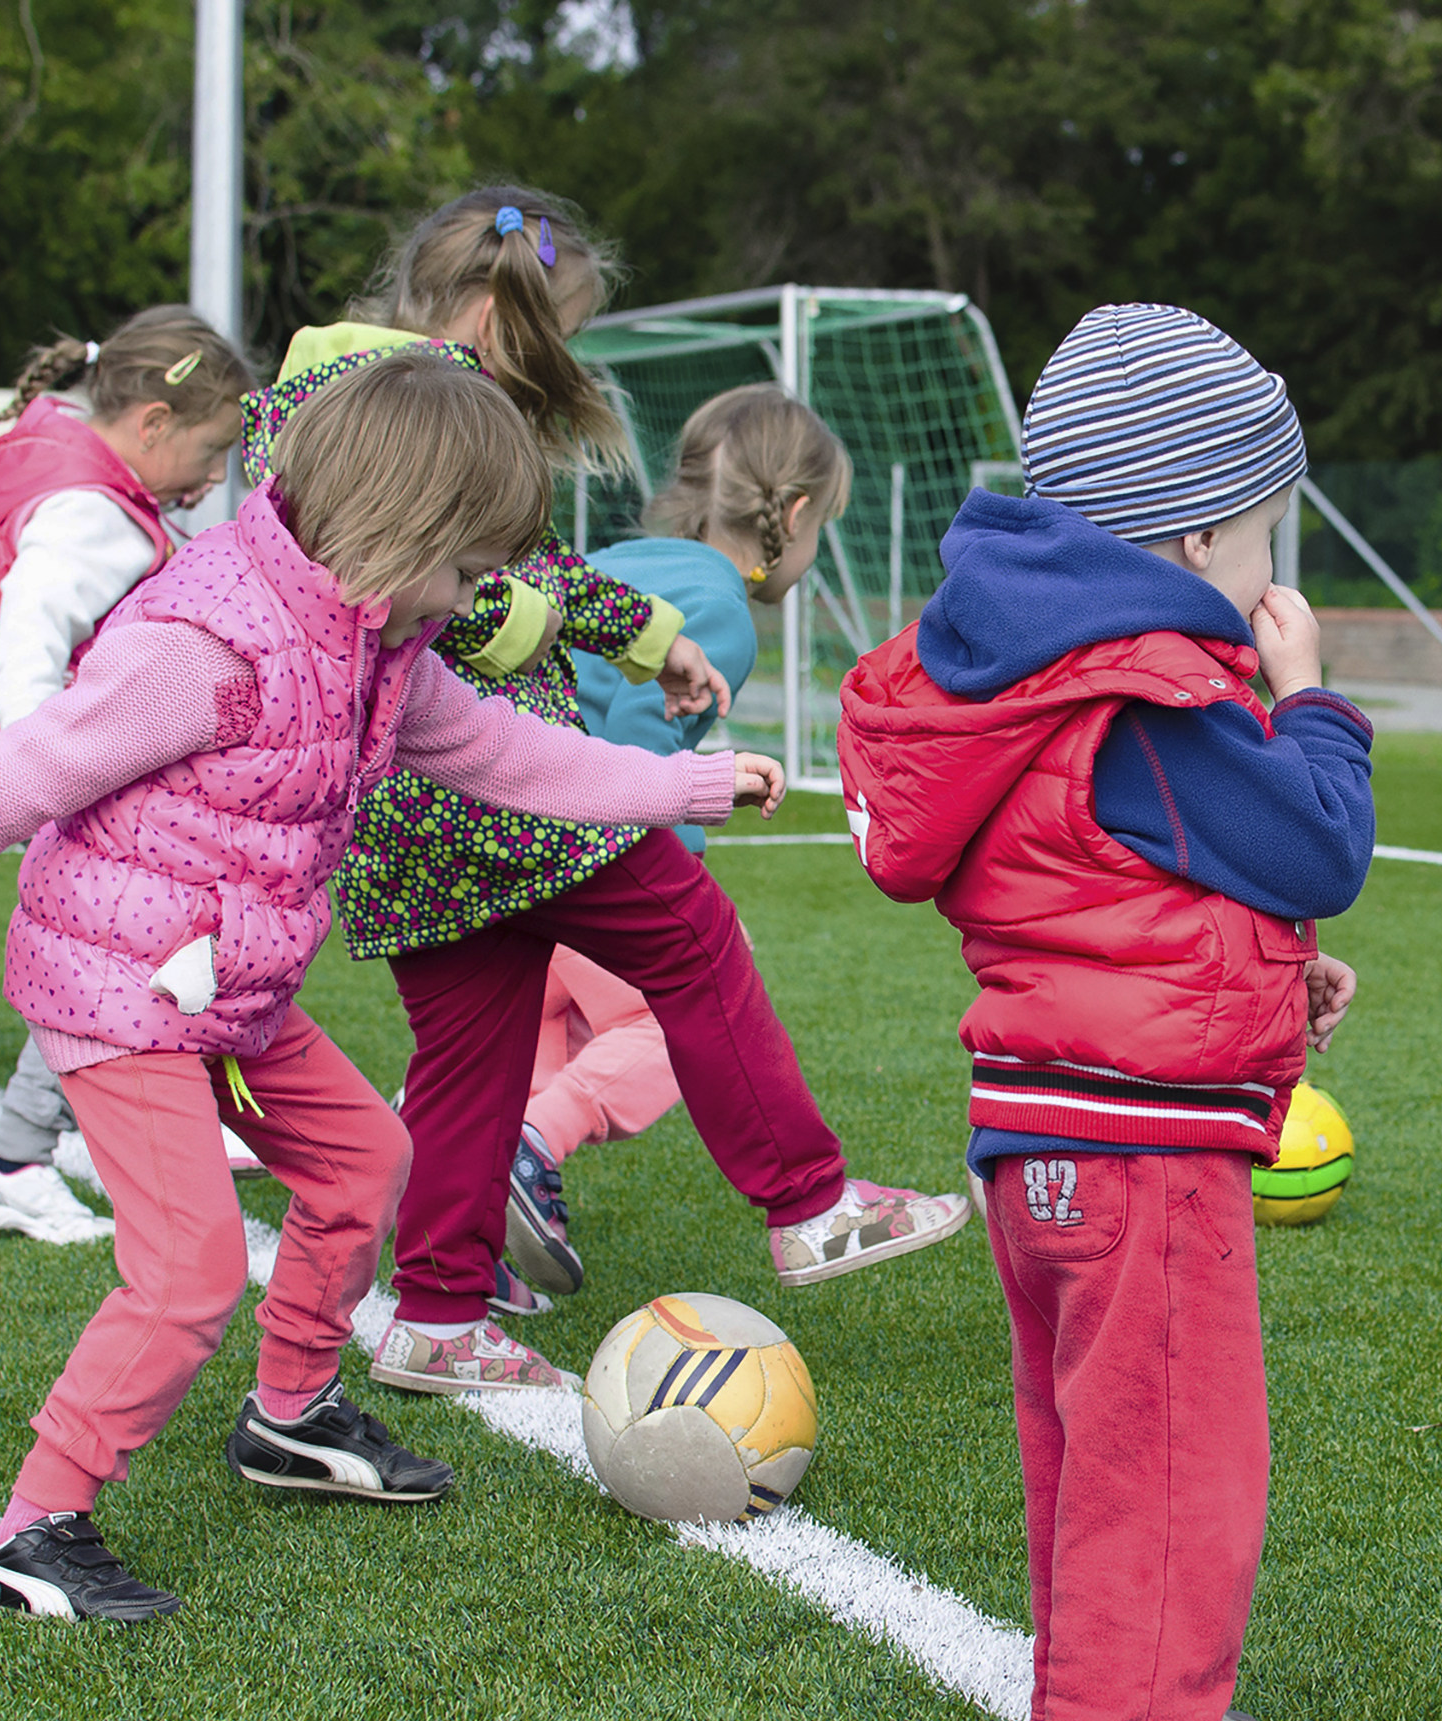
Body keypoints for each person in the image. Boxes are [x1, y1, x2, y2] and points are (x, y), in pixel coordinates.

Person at [0, 351, 788, 1624]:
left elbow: (511, 757)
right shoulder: (202, 646)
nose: (479, 599)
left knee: (368, 1161)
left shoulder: (378, 647)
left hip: (228, 990)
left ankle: (291, 1415)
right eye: (471, 570)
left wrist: (687, 784)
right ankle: (33, 1523)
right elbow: (25, 774)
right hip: (119, 989)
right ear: (402, 530)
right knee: (189, 1270)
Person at [243, 189, 968, 1382]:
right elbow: (444, 588)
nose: (559, 364)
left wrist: (649, 637)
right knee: (692, 941)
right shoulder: (412, 404)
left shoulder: (330, 389)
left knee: (470, 1059)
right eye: (555, 334)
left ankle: (434, 1317)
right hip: (494, 790)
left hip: (400, 818)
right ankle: (808, 1200)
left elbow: (526, 565)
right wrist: (547, 632)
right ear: (489, 312)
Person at [838, 304, 1374, 1721]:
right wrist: (1312, 698)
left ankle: (1112, 1695)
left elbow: (1115, 891)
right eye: (1269, 533)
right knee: (1173, 1445)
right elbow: (1317, 836)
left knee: (1092, 1440)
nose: (1278, 572)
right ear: (1200, 533)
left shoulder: (1033, 674)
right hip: (1140, 1150)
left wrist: (1274, 983)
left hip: (1048, 1131)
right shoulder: (1149, 693)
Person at [506, 384, 852, 1298]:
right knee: (671, 1012)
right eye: (824, 530)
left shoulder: (625, 559)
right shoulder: (721, 612)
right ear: (795, 513)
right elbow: (632, 753)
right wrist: (676, 877)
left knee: (523, 1038)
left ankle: (452, 1179)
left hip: (491, 846)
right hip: (564, 848)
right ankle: (533, 1145)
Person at [0, 308, 254, 1245]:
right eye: (214, 449)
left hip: (34, 766)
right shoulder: (95, 512)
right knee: (113, 950)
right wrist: (41, 769)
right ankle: (18, 1158)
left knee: (106, 949)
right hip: (35, 769)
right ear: (151, 424)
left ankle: (37, 1146)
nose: (217, 476)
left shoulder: (50, 440)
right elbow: (28, 633)